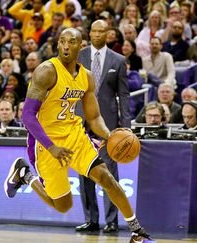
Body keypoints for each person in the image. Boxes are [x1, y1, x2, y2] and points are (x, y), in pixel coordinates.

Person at [4, 28, 153, 243]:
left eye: (71, 41)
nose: (65, 45)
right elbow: (27, 116)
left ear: (80, 45)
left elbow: (93, 118)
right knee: (62, 205)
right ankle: (24, 175)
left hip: (75, 135)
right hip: (45, 142)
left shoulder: (86, 76)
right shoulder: (46, 71)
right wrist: (51, 147)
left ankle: (137, 232)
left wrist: (110, 135)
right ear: (57, 45)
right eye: (62, 41)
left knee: (106, 178)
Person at [76, 20, 131, 233]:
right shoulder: (78, 57)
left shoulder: (118, 60)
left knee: (109, 174)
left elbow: (123, 96)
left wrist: (125, 127)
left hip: (107, 124)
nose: (97, 34)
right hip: (80, 123)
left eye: (101, 31)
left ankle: (111, 221)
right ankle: (91, 220)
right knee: (84, 172)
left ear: (108, 34)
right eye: (94, 31)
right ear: (89, 33)